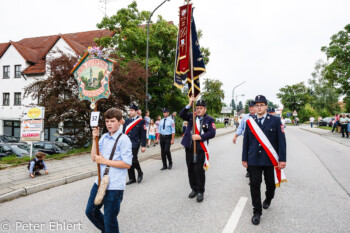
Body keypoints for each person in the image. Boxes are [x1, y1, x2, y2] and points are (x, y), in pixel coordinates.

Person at [85, 108, 132, 233]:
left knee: (109, 218)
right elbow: (94, 157)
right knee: (90, 211)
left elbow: (127, 164)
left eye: (112, 121)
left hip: (115, 185)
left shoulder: (124, 139)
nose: (109, 124)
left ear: (120, 121)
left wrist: (104, 161)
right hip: (99, 182)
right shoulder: (104, 137)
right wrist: (94, 138)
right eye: (107, 121)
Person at [242, 95, 286, 225]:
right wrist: (244, 158)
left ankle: (268, 198)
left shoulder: (275, 121)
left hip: (269, 160)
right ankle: (257, 211)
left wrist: (282, 159)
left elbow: (281, 142)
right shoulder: (250, 122)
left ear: (266, 106)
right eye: (257, 105)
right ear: (254, 107)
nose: (259, 107)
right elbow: (246, 141)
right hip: (253, 159)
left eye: (262, 105)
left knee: (270, 185)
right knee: (254, 185)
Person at [180, 96, 216, 202]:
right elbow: (182, 115)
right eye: (197, 108)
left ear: (205, 109)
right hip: (189, 146)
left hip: (200, 148)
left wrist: (200, 137)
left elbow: (212, 133)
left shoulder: (209, 119)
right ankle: (194, 189)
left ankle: (200, 191)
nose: (199, 109)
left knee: (198, 170)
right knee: (190, 168)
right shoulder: (192, 116)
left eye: (201, 108)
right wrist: (189, 104)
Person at [123, 104, 146, 185]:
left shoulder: (141, 121)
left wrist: (143, 145)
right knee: (128, 160)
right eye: (129, 110)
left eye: (132, 110)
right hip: (127, 143)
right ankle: (132, 178)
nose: (130, 112)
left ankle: (140, 172)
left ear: (136, 111)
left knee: (133, 159)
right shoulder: (127, 121)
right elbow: (123, 133)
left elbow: (143, 134)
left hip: (135, 143)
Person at [233, 100, 257, 178]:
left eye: (252, 107)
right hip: (248, 139)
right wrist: (235, 136)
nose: (251, 108)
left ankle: (256, 170)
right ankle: (249, 170)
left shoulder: (259, 116)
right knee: (248, 155)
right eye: (250, 107)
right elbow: (241, 128)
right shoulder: (245, 117)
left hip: (258, 139)